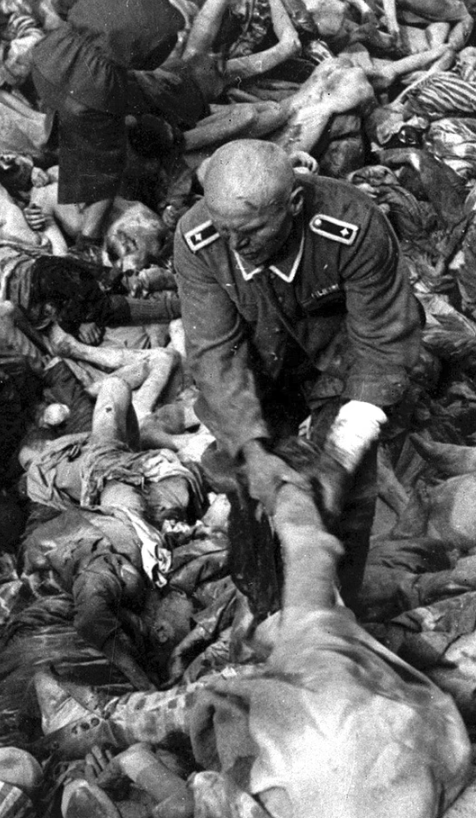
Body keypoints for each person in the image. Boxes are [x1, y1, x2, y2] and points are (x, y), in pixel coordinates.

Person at [173, 139, 421, 608]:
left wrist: (340, 456)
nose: (236, 245)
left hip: (341, 358)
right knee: (255, 488)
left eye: (251, 231)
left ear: (294, 204)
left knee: (344, 492)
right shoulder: (198, 237)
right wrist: (252, 449)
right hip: (260, 360)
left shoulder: (355, 225)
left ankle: (339, 609)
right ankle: (266, 604)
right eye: (224, 230)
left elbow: (382, 342)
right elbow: (214, 351)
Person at [29, 0, 208, 253]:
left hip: (48, 61)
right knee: (109, 163)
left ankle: (51, 143)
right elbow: (145, 63)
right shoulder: (170, 23)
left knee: (70, 106)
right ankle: (89, 240)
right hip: (90, 91)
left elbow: (60, 5)